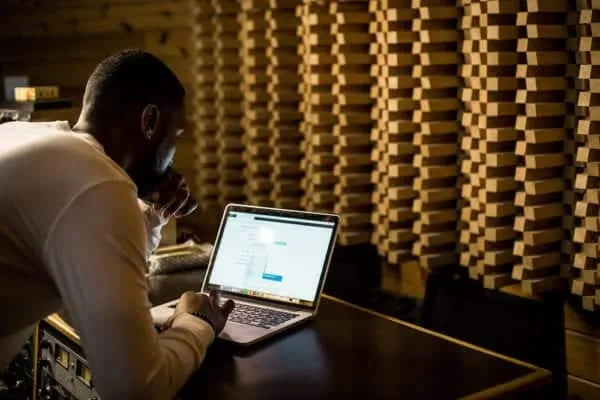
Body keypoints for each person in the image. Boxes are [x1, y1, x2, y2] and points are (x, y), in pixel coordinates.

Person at [0, 49, 234, 399]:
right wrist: (199, 322)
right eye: (177, 135)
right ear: (150, 121)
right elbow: (138, 390)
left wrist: (153, 216)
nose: (174, 153)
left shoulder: (23, 135)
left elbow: (99, 292)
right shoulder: (97, 181)